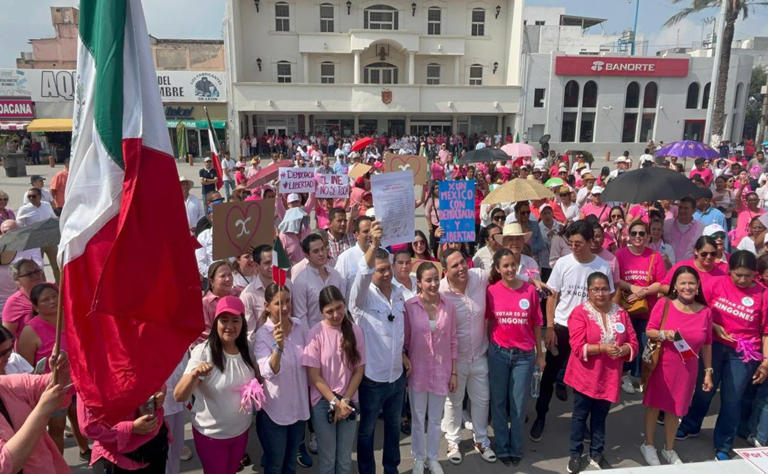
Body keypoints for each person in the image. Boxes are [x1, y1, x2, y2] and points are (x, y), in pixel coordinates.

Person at [677, 251, 768, 460]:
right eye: (738, 275)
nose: (743, 280)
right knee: (704, 389)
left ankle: (724, 444)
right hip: (714, 346)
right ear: (729, 271)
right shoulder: (716, 284)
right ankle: (691, 425)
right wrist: (716, 327)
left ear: (755, 274)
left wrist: (765, 362)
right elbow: (700, 309)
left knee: (732, 398)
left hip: (744, 354)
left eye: (748, 276)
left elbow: (766, 332)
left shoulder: (763, 294)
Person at [532, 220, 614, 442]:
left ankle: (582, 422)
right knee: (549, 375)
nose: (574, 247)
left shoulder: (602, 267)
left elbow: (609, 298)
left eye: (578, 243)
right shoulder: (563, 264)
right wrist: (549, 328)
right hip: (561, 327)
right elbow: (553, 296)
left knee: (584, 380)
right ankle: (540, 416)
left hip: (589, 331)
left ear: (590, 242)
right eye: (571, 243)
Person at [174, 296, 258, 474]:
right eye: (224, 320)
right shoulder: (202, 352)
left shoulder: (247, 349)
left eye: (235, 320)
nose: (229, 326)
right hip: (211, 435)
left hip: (241, 431)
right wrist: (195, 374)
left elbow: (259, 379)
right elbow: (179, 395)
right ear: (215, 322)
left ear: (242, 323)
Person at [564, 272, 637, 473]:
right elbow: (577, 346)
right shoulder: (580, 313)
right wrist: (603, 348)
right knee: (580, 416)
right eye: (595, 289)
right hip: (585, 376)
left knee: (600, 417)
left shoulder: (621, 312)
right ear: (588, 292)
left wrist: (625, 350)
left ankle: (596, 452)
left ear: (610, 290)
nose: (600, 293)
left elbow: (633, 342)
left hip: (609, 376)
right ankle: (575, 454)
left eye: (604, 289)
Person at [640, 266, 713, 466]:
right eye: (683, 283)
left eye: (691, 283)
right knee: (654, 405)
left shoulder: (706, 312)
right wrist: (665, 334)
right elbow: (650, 331)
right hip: (662, 365)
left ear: (698, 286)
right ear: (675, 286)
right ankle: (648, 444)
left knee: (676, 409)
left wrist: (708, 372)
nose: (687, 287)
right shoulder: (664, 304)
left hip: (688, 369)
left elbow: (707, 344)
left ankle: (669, 448)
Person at [349, 221, 406, 474]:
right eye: (380, 270)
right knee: (368, 430)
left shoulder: (399, 293)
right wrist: (372, 245)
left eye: (388, 269)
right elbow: (362, 274)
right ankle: (366, 470)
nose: (386, 274)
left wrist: (404, 354)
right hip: (372, 378)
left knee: (393, 427)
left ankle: (391, 467)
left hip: (396, 376)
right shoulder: (361, 298)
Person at [486, 249, 545, 466]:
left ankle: (516, 447)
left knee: (518, 404)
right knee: (499, 402)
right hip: (498, 353)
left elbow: (537, 324)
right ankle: (502, 446)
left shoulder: (530, 290)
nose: (510, 269)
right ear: (498, 269)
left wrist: (540, 356)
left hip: (524, 356)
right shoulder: (491, 291)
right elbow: (489, 321)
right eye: (505, 266)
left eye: (513, 265)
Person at [17, 283, 89, 457]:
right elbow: (26, 368)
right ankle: (58, 463)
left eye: (54, 296)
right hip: (53, 388)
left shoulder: (72, 318)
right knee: (57, 426)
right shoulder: (30, 331)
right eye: (46, 299)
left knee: (80, 419)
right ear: (35, 306)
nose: (52, 301)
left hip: (78, 382)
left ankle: (85, 450)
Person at [439, 247, 496, 464]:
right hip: (455, 360)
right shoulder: (441, 291)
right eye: (455, 265)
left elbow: (504, 277)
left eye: (463, 262)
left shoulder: (479, 277)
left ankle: (481, 440)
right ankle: (453, 441)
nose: (462, 268)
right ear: (445, 270)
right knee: (453, 401)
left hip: (480, 354)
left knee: (482, 400)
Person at [302, 285, 365, 474]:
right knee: (328, 460)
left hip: (348, 400)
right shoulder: (315, 333)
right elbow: (314, 374)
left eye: (339, 308)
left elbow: (358, 371)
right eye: (330, 311)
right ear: (321, 311)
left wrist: (344, 400)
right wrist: (334, 402)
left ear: (344, 304)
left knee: (344, 460)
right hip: (323, 402)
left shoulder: (355, 331)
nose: (336, 314)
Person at [403, 261, 458, 474]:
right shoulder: (410, 307)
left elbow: (453, 340)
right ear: (419, 283)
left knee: (436, 418)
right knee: (418, 418)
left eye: (436, 278)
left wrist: (453, 372)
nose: (434, 283)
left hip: (441, 371)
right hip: (417, 370)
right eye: (428, 280)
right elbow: (405, 340)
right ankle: (418, 457)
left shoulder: (449, 306)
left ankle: (433, 457)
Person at [254, 283, 310, 474]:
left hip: (298, 408)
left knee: (290, 464)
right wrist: (278, 347)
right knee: (275, 465)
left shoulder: (300, 326)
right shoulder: (262, 335)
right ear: (267, 305)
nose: (285, 307)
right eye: (279, 303)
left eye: (288, 301)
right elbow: (267, 371)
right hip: (275, 412)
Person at [614, 221, 665, 393]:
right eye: (634, 233)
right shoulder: (620, 254)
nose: (638, 237)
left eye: (642, 233)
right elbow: (615, 279)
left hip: (648, 309)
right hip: (625, 307)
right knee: (626, 342)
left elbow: (662, 283)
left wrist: (643, 292)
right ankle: (625, 376)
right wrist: (631, 287)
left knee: (646, 346)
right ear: (629, 235)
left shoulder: (655, 256)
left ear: (648, 236)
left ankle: (644, 376)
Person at [0, 352, 72, 473]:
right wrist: (42, 410)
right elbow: (4, 466)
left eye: (8, 351)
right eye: (2, 353)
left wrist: (60, 370)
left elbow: (49, 384)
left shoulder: (4, 384)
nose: (6, 359)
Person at [293, 234, 346, 329]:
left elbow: (343, 307)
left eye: (322, 249)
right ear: (307, 255)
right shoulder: (301, 281)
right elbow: (301, 317)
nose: (321, 254)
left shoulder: (336, 275)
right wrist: (310, 340)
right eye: (316, 251)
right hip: (316, 336)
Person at [240, 245, 294, 339]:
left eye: (274, 261)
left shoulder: (287, 284)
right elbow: (249, 334)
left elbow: (294, 315)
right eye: (267, 263)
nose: (272, 266)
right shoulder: (248, 295)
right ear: (256, 265)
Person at [660, 236, 726, 299]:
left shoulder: (721, 276)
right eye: (704, 254)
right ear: (696, 251)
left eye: (713, 254)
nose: (709, 257)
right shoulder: (682, 267)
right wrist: (683, 292)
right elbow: (663, 286)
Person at [16, 188, 59, 284]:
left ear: (40, 196)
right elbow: (19, 225)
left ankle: (60, 287)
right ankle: (43, 286)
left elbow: (53, 218)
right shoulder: (24, 210)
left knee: (56, 265)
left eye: (34, 196)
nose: (31, 198)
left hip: (49, 241)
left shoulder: (47, 206)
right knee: (38, 267)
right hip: (35, 243)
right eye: (29, 196)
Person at [1, 259, 45, 342]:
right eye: (29, 274)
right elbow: (7, 337)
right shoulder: (13, 303)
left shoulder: (52, 290)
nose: (36, 276)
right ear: (17, 280)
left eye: (37, 271)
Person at [196, 260, 236, 346]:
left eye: (230, 275)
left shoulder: (238, 294)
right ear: (211, 281)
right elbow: (204, 335)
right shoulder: (205, 303)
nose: (228, 279)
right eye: (223, 276)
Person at [334, 215, 373, 297]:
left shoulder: (383, 253)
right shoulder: (345, 258)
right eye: (366, 231)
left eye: (372, 231)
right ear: (356, 235)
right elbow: (338, 289)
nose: (370, 234)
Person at [664, 197, 704, 262]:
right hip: (670, 268)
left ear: (693, 211)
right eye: (680, 207)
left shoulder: (701, 228)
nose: (682, 211)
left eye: (686, 208)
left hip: (690, 269)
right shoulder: (666, 225)